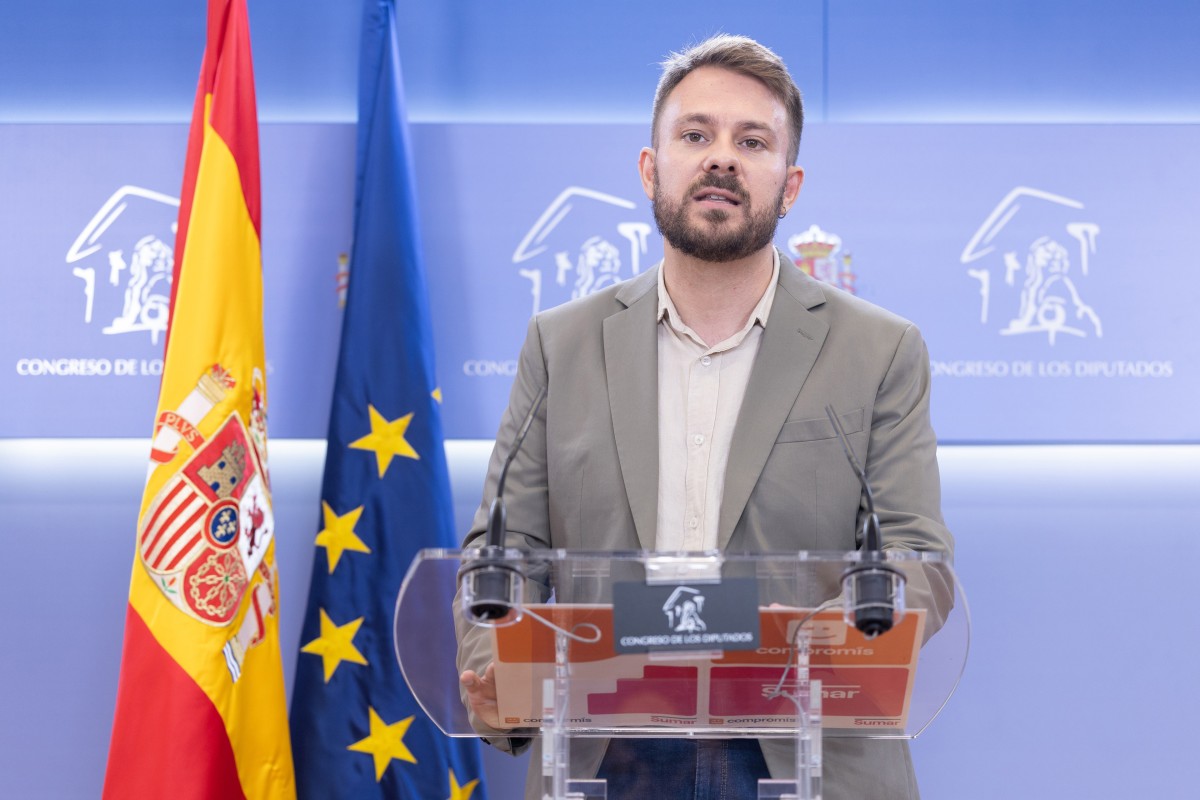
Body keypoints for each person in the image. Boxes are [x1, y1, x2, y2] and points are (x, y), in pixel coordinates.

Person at [456, 33, 953, 800]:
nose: (721, 158)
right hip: (604, 746)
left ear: (788, 187)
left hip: (800, 744)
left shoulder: (879, 351)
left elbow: (917, 561)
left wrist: (816, 644)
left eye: (750, 141)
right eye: (696, 135)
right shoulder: (561, 344)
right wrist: (495, 673)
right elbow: (502, 552)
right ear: (651, 170)